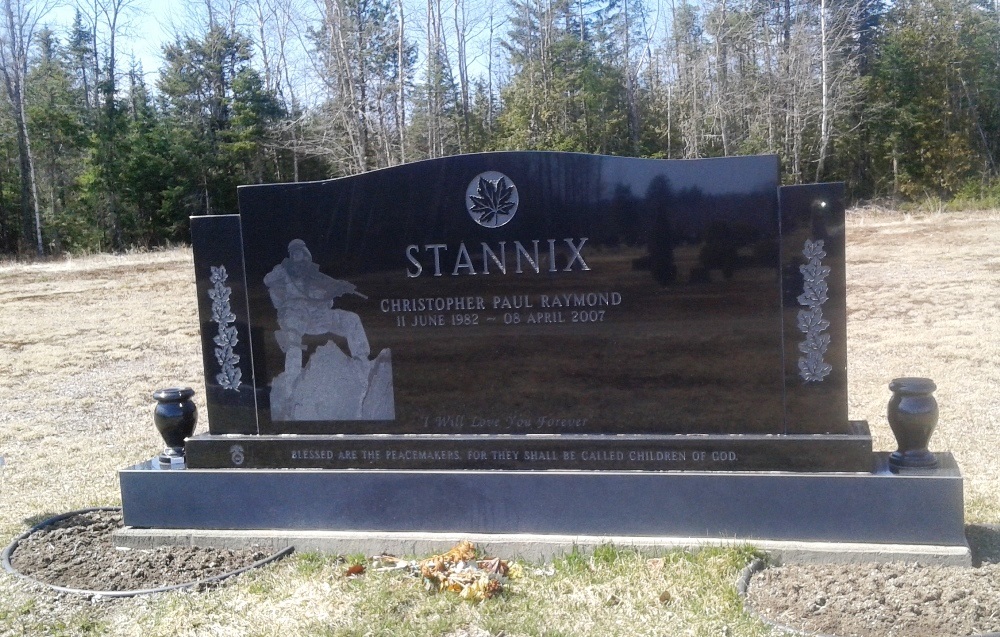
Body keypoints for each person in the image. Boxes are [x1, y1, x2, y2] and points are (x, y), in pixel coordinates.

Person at [264, 239, 371, 371]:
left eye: (299, 252)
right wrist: (283, 269)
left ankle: (362, 363)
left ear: (305, 253)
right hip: (296, 315)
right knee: (293, 339)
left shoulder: (314, 274)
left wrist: (340, 287)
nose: (297, 256)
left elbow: (327, 289)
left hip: (317, 317)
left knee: (352, 319)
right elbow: (267, 280)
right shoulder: (284, 271)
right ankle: (292, 376)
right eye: (294, 253)